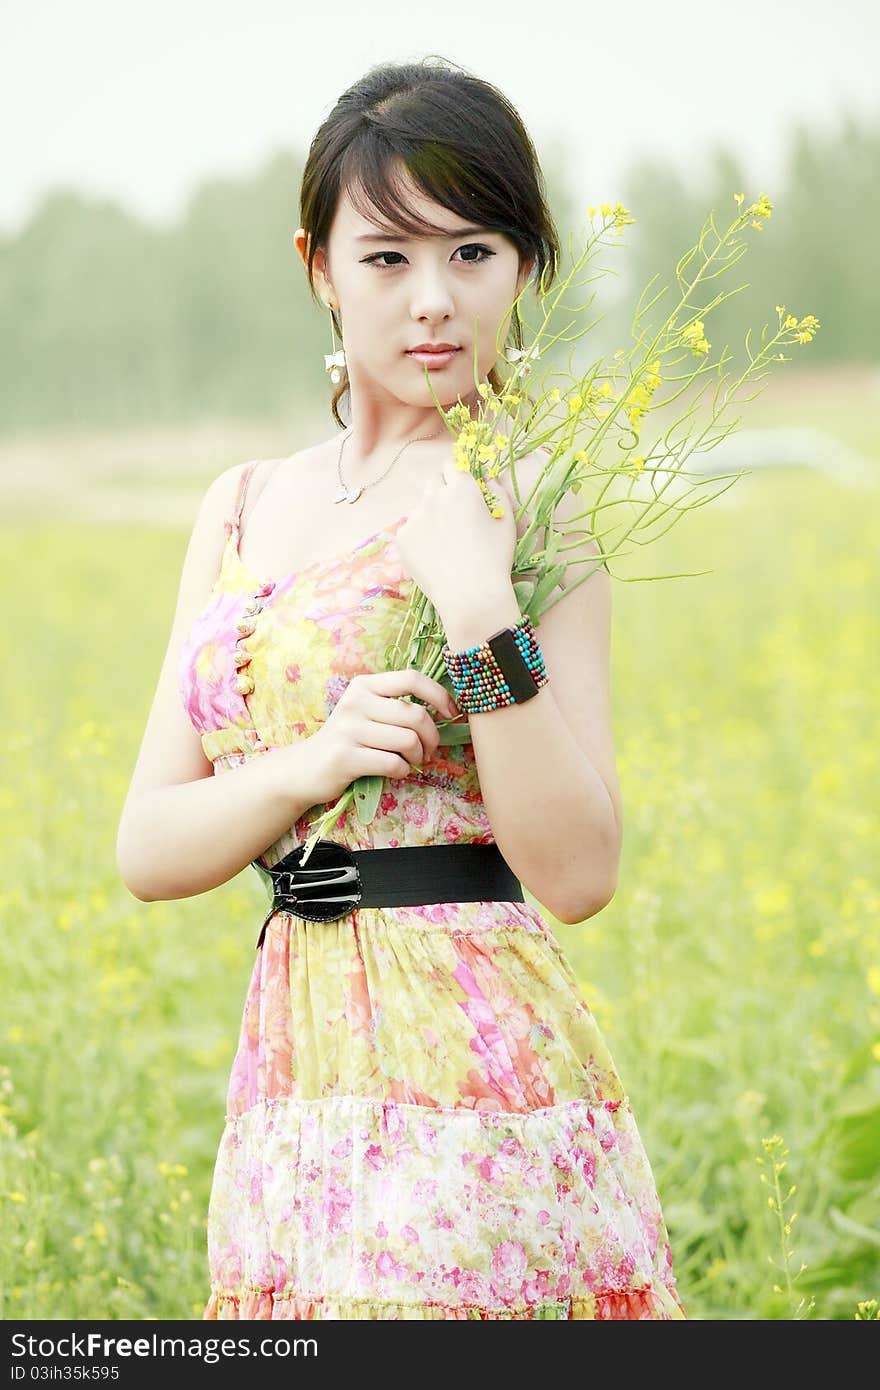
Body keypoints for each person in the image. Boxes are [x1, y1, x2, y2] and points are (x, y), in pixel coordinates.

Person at [116, 55, 688, 1321]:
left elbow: (578, 872)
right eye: (387, 258)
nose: (433, 301)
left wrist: (481, 606)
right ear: (318, 265)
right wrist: (309, 765)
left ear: (525, 267)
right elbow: (149, 845)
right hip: (294, 1072)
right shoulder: (242, 506)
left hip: (475, 1068)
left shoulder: (536, 503)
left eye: (473, 252)